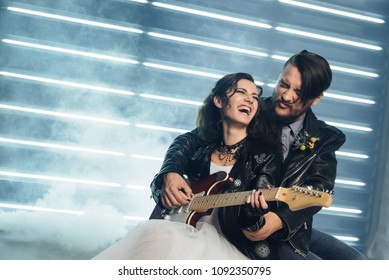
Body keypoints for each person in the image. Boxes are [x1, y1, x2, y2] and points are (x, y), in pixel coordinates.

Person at [157, 50, 367, 260]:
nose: (286, 96)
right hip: (241, 220)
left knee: (358, 263)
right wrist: (171, 170)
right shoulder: (251, 107)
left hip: (288, 224)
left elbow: (320, 185)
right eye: (284, 84)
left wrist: (280, 219)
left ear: (316, 98)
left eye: (299, 92)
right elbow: (196, 138)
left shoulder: (325, 137)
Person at [92, 72, 282, 260]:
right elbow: (177, 154)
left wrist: (255, 212)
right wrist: (169, 174)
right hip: (180, 234)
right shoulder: (199, 145)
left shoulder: (265, 155)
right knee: (152, 235)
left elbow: (250, 225)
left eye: (255, 97)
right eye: (241, 92)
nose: (250, 100)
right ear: (219, 101)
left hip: (230, 248)